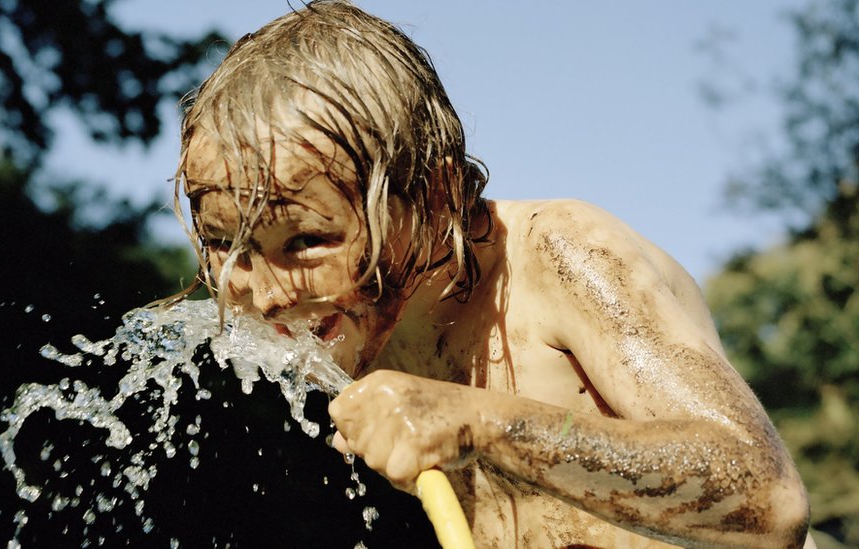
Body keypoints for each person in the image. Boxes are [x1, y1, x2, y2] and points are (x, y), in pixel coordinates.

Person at [174, 1, 813, 547]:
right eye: (228, 247)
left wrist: (480, 421)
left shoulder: (561, 255)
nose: (266, 295)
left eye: (308, 241)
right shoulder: (342, 343)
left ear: (434, 196)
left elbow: (766, 493)